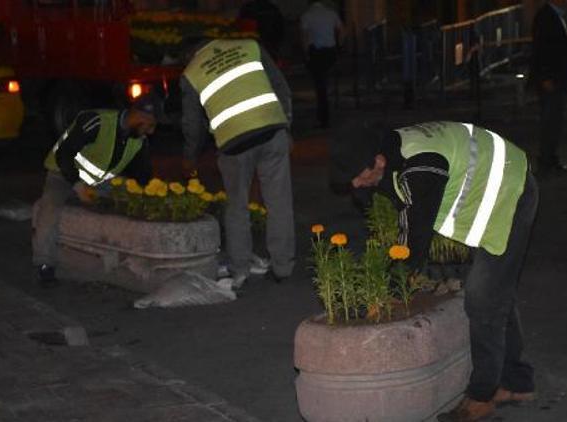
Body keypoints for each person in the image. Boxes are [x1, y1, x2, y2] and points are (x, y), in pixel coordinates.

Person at [331, 121, 539, 422]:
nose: (357, 185)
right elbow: (394, 212)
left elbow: (414, 238)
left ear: (378, 161)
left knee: (482, 299)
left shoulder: (420, 168)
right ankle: (517, 383)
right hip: (494, 184)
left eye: (359, 178)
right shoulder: (392, 155)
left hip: (510, 189)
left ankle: (482, 396)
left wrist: (392, 290)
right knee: (496, 292)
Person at [180, 37, 295, 289]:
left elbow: (192, 124)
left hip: (233, 144)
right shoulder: (250, 46)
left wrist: (190, 157)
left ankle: (240, 269)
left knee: (237, 207)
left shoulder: (191, 72)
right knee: (279, 202)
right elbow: (280, 86)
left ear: (192, 54)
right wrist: (286, 124)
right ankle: (282, 267)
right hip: (272, 131)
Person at [32, 94, 161, 287]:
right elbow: (65, 154)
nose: (150, 131)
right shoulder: (97, 121)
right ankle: (45, 264)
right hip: (63, 175)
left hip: (100, 184)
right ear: (137, 115)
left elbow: (143, 176)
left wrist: (151, 198)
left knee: (131, 200)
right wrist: (78, 186)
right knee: (50, 208)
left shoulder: (139, 140)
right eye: (149, 125)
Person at [530, 0, 567, 177]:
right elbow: (542, 50)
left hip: (556, 79)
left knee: (554, 121)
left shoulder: (555, 17)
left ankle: (550, 159)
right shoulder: (546, 18)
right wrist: (546, 77)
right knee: (550, 121)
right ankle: (547, 161)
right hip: (551, 80)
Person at [300, 0, 343, 128]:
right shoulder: (331, 14)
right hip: (330, 52)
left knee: (320, 86)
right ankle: (325, 114)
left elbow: (304, 37)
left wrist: (306, 54)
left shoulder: (306, 16)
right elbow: (342, 31)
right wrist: (338, 47)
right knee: (325, 83)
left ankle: (324, 118)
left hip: (316, 54)